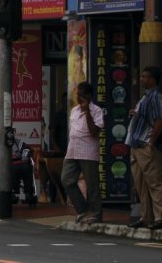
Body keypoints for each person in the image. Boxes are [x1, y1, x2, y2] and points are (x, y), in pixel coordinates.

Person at [125, 66, 162, 229]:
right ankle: (146, 217)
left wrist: (151, 142)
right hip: (136, 145)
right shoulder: (145, 98)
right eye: (142, 76)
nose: (142, 79)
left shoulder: (156, 97)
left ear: (153, 79)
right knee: (141, 184)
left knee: (154, 182)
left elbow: (159, 120)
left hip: (145, 145)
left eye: (146, 77)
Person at [61, 81, 104, 223]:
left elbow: (94, 132)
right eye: (77, 95)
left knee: (92, 185)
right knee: (66, 179)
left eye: (82, 95)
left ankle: (96, 213)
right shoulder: (74, 111)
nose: (79, 98)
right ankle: (82, 208)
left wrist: (87, 113)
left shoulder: (97, 111)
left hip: (88, 152)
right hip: (73, 150)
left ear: (89, 96)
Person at [10, 134, 37, 206]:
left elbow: (26, 148)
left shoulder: (17, 141)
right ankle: (13, 193)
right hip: (8, 164)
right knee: (14, 169)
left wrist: (24, 156)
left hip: (20, 162)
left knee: (27, 167)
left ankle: (29, 193)